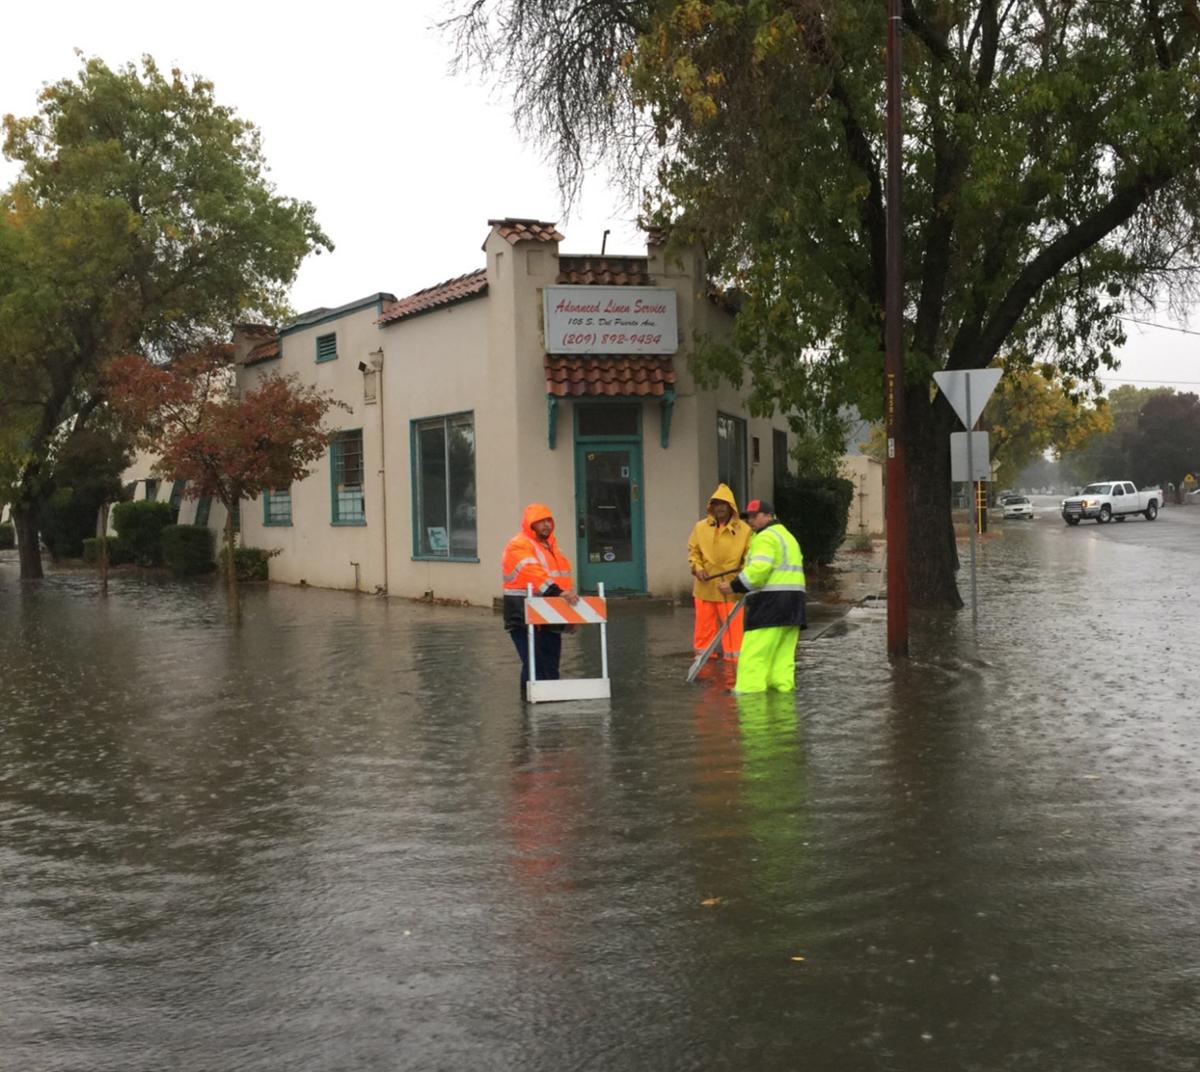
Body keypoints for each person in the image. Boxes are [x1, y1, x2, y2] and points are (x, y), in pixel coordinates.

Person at [718, 499, 806, 694]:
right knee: (782, 660)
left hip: (770, 605)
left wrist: (734, 586)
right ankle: (783, 704)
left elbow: (759, 570)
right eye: (748, 517)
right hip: (794, 606)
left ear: (768, 515)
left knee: (753, 655)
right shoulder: (788, 537)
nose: (750, 521)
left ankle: (750, 702)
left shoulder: (765, 537)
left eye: (754, 516)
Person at [501, 503, 579, 693]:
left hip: (551, 615)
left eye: (548, 521)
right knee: (534, 665)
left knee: (551, 666)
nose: (546, 525)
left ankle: (549, 710)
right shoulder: (519, 545)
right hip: (523, 615)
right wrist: (557, 592)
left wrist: (571, 616)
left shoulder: (553, 549)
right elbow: (532, 574)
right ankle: (530, 708)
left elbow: (564, 583)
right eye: (540, 522)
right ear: (530, 524)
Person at [687, 483, 750, 664]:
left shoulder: (744, 531)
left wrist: (738, 582)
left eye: (723, 503)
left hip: (730, 590)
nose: (720, 507)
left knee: (733, 635)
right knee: (703, 632)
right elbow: (693, 552)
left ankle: (734, 667)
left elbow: (749, 559)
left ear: (731, 506)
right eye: (716, 503)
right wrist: (698, 569)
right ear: (711, 506)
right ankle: (704, 664)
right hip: (705, 589)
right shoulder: (700, 527)